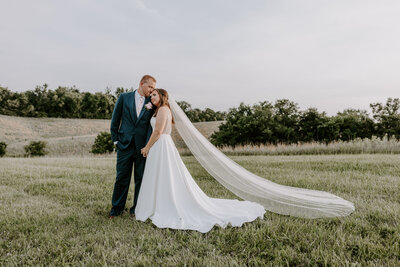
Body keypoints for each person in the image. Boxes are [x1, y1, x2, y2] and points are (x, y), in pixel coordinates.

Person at [135, 89, 266, 233]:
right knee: (161, 175)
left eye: (154, 94)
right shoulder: (161, 110)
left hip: (161, 144)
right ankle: (157, 204)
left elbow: (158, 131)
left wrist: (147, 147)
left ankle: (164, 204)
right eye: (151, 95)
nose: (151, 97)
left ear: (162, 96)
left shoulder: (163, 110)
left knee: (164, 175)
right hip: (161, 145)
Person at [109, 75, 156, 219]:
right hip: (124, 145)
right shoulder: (124, 97)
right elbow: (115, 120)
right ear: (142, 84)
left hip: (142, 148)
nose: (152, 90)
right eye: (150, 87)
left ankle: (137, 209)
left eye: (154, 88)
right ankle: (116, 209)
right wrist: (116, 141)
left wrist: (148, 145)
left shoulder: (152, 102)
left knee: (140, 178)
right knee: (121, 177)